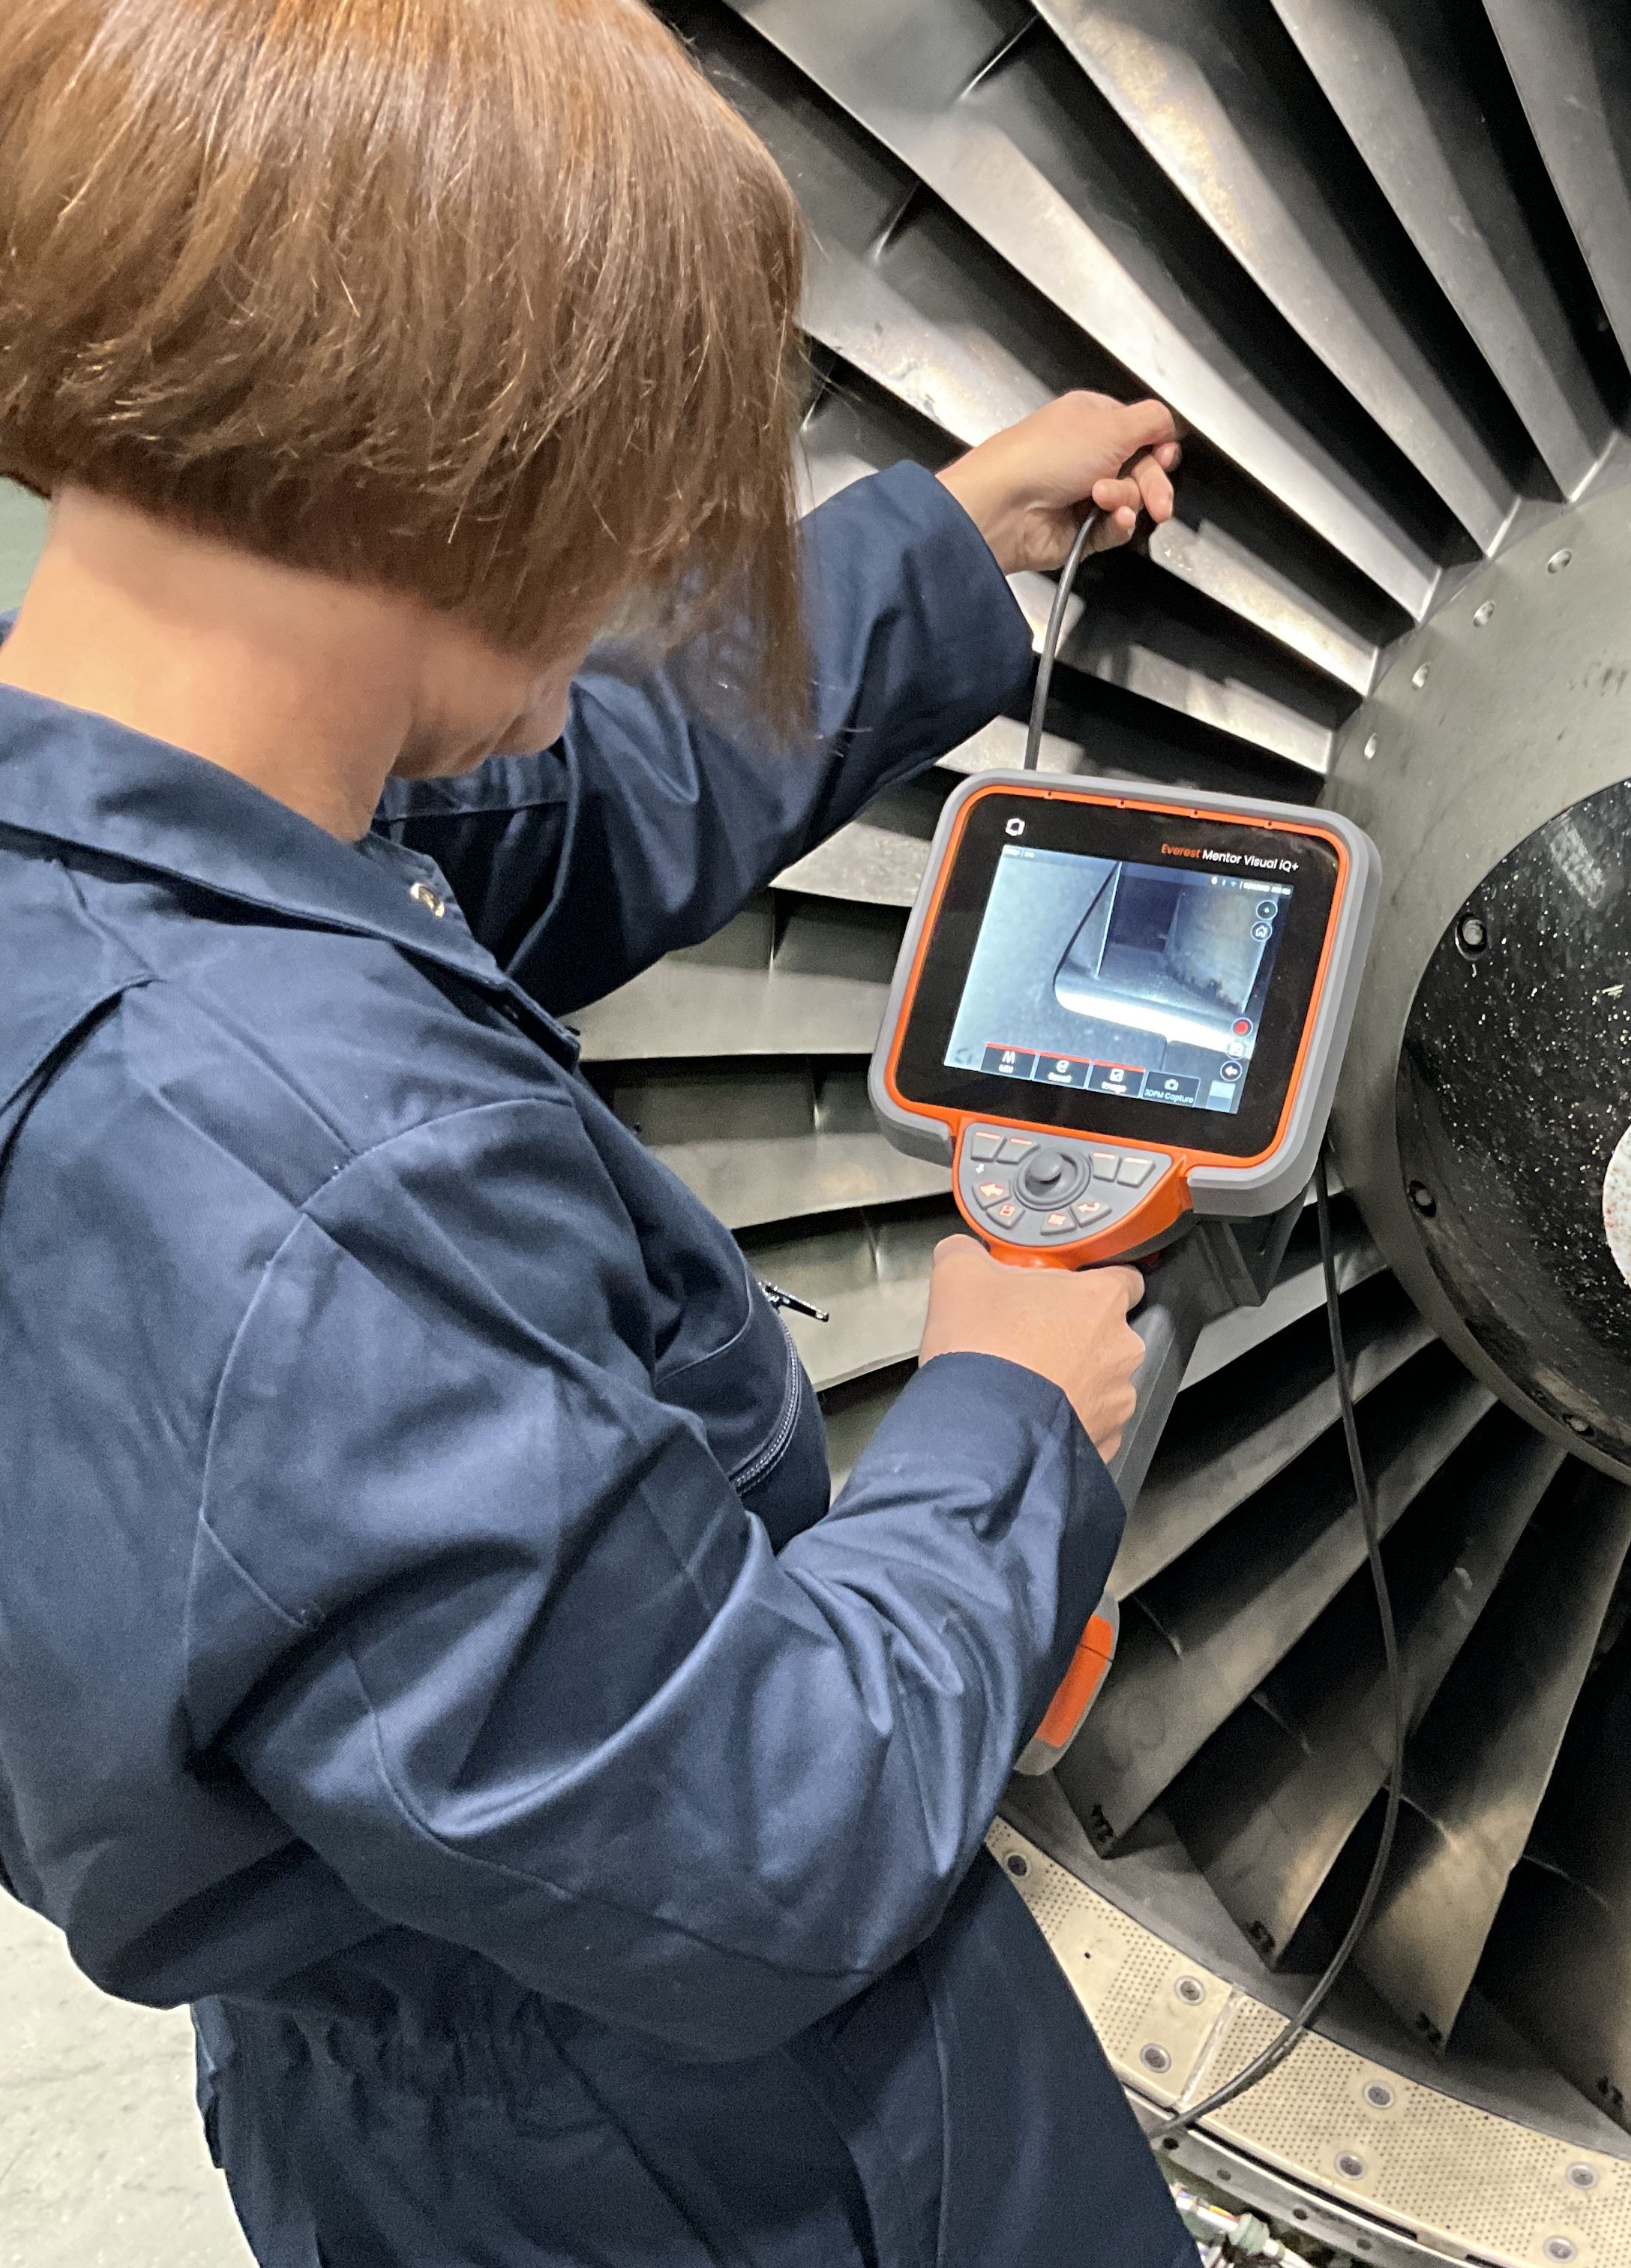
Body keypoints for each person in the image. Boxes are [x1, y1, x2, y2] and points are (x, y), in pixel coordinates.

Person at [0, 2, 1200, 2261]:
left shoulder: (130, 839)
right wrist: (1000, 1421)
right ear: (462, 479)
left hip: (392, 2053)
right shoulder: (305, 1194)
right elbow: (771, 1843)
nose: (668, 540)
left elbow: (542, 820)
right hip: (674, 2149)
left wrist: (947, 546)